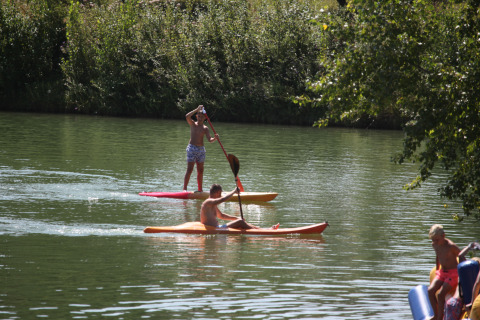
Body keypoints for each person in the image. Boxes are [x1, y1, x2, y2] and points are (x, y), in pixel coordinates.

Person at [200, 184, 279, 230]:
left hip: (218, 227)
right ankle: (264, 230)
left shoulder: (211, 204)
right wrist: (234, 192)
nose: (220, 195)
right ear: (217, 192)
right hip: (216, 228)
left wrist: (236, 218)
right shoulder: (208, 202)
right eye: (220, 193)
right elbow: (222, 199)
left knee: (240, 221)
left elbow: (221, 216)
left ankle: (262, 229)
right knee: (240, 222)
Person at [428, 224, 461, 320]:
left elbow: (462, 257)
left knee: (440, 294)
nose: (435, 242)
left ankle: (440, 317)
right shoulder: (435, 245)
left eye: (437, 239)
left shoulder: (451, 246)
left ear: (443, 236)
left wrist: (463, 274)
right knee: (430, 291)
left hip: (453, 273)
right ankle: (436, 314)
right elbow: (438, 256)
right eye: (433, 240)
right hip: (442, 272)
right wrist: (437, 270)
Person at [183, 105, 218, 192]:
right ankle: (184, 189)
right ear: (196, 116)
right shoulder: (193, 124)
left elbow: (210, 140)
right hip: (192, 148)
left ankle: (200, 190)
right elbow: (187, 116)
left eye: (202, 117)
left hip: (201, 150)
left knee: (200, 170)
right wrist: (197, 109)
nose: (200, 118)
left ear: (205, 118)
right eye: (198, 116)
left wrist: (215, 138)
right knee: (190, 169)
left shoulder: (205, 128)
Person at [443, 242, 479, 320]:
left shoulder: (462, 273)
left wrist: (469, 246)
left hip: (451, 301)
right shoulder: (474, 277)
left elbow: (460, 256)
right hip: (457, 304)